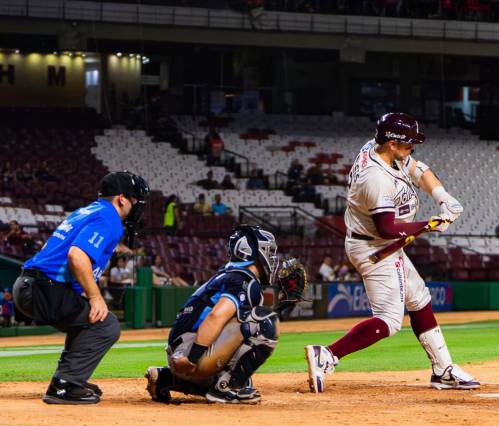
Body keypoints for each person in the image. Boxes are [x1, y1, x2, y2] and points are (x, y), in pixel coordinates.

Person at [304, 112, 479, 393]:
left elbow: (419, 170)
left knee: (420, 298)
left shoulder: (382, 151)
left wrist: (443, 197)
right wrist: (431, 224)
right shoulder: (375, 177)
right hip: (375, 247)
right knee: (388, 320)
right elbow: (386, 227)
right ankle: (327, 355)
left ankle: (443, 369)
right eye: (408, 144)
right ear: (392, 143)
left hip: (382, 244)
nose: (412, 148)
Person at [12, 171, 148, 404]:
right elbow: (77, 255)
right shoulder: (109, 218)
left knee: (87, 320)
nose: (136, 207)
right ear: (122, 199)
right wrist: (95, 297)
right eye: (135, 200)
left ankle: (68, 378)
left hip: (30, 285)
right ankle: (64, 386)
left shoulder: (86, 211)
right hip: (43, 289)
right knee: (106, 325)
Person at [145, 225, 302, 404]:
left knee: (243, 377)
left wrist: (283, 308)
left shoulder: (229, 274)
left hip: (180, 351)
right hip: (191, 353)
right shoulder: (243, 279)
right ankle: (225, 389)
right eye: (268, 251)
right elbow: (216, 317)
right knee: (265, 322)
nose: (272, 258)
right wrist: (192, 358)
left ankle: (165, 378)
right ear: (248, 251)